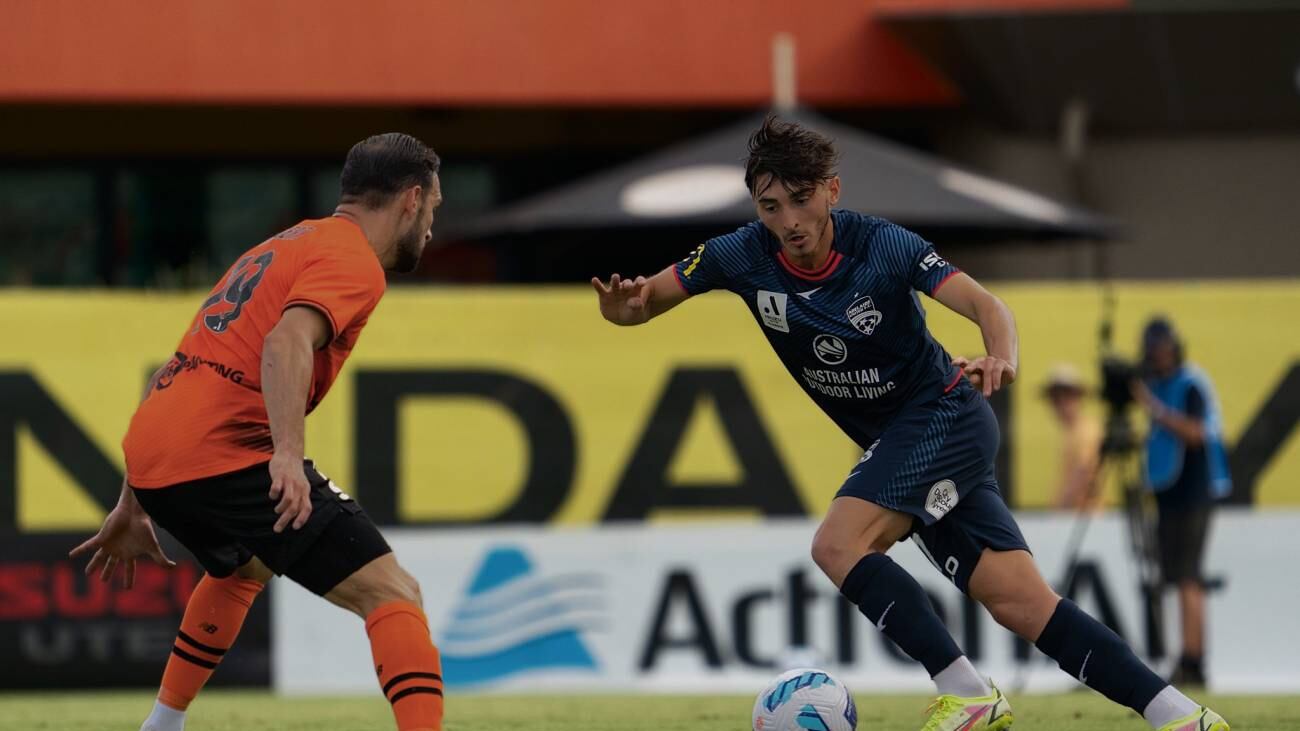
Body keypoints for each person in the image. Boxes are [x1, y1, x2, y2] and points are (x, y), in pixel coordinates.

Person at [591, 116, 1228, 731]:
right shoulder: (740, 254)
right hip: (913, 439)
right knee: (1023, 604)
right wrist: (624, 312)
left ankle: (966, 694)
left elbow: (987, 305)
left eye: (801, 200)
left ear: (832, 191)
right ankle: (1181, 716)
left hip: (942, 416)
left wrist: (1002, 357)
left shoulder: (882, 245)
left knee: (837, 545)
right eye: (770, 206)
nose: (789, 222)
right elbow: (645, 300)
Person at [70, 133, 446, 731]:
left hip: (156, 454)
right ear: (411, 199)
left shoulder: (282, 245)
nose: (430, 228)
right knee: (393, 593)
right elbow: (286, 340)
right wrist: (288, 457)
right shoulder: (354, 260)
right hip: (224, 453)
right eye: (434, 208)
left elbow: (181, 367)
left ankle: (161, 726)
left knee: (247, 567)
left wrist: (132, 500)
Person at [1133, 317, 1232, 688]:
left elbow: (1196, 433)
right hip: (1169, 492)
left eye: (1163, 348)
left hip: (1193, 490)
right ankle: (1187, 657)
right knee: (1177, 577)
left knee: (1189, 575)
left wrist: (1152, 407)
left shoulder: (1190, 383)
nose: (1159, 355)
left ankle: (1193, 659)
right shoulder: (1161, 384)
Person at [1043, 363, 1104, 511]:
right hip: (1077, 514)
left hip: (1082, 515)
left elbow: (1083, 471)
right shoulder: (1074, 431)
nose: (1060, 404)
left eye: (1066, 396)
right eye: (1055, 398)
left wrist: (1062, 507)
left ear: (1077, 397)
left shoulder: (1086, 430)